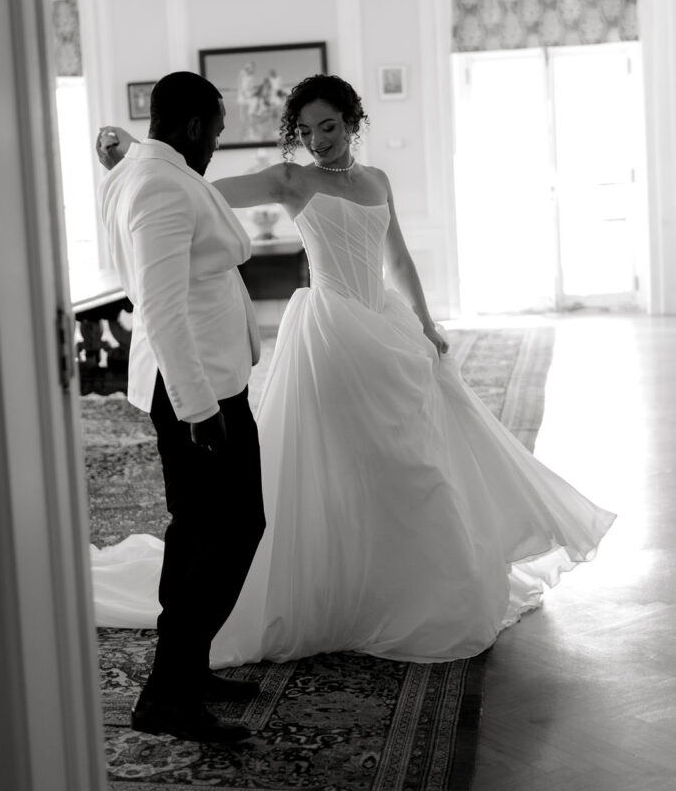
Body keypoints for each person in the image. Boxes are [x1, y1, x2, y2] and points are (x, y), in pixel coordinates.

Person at [94, 73, 615, 669]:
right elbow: (195, 187)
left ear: (352, 123)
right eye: (306, 131)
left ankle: (410, 586)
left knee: (412, 459)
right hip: (331, 333)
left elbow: (399, 257)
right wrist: (133, 153)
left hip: (385, 327)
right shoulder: (290, 180)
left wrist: (426, 322)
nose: (318, 141)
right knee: (343, 462)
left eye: (329, 127)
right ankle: (335, 588)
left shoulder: (378, 181)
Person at [97, 71, 266, 742]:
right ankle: (167, 696)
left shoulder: (148, 169)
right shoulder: (160, 185)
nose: (217, 144)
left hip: (206, 384)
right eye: (216, 132)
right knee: (219, 536)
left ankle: (188, 671)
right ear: (193, 126)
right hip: (196, 393)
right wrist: (198, 408)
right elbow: (161, 306)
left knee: (214, 531)